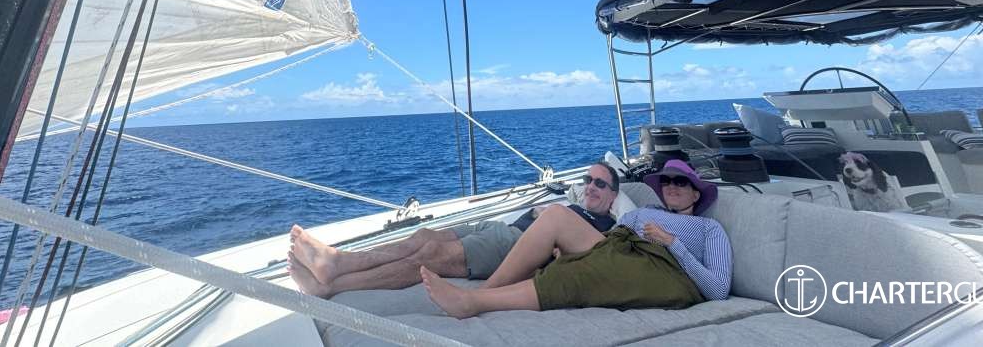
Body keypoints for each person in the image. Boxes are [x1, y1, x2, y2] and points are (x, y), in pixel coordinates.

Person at [419, 159, 732, 318]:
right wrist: (574, 246)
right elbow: (611, 238)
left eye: (681, 182)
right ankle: (487, 289)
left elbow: (718, 290)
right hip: (622, 247)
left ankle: (473, 302)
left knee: (581, 272)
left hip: (663, 269)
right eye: (667, 182)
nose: (672, 186)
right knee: (556, 215)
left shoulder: (709, 229)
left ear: (696, 193)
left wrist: (672, 243)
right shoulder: (648, 210)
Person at [286, 161, 621, 298]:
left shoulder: (607, 227)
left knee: (429, 256)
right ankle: (339, 261)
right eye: (588, 180)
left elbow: (581, 257)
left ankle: (331, 285)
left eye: (600, 184)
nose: (591, 187)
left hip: (514, 244)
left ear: (614, 196)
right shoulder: (575, 206)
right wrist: (541, 210)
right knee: (423, 237)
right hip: (500, 227)